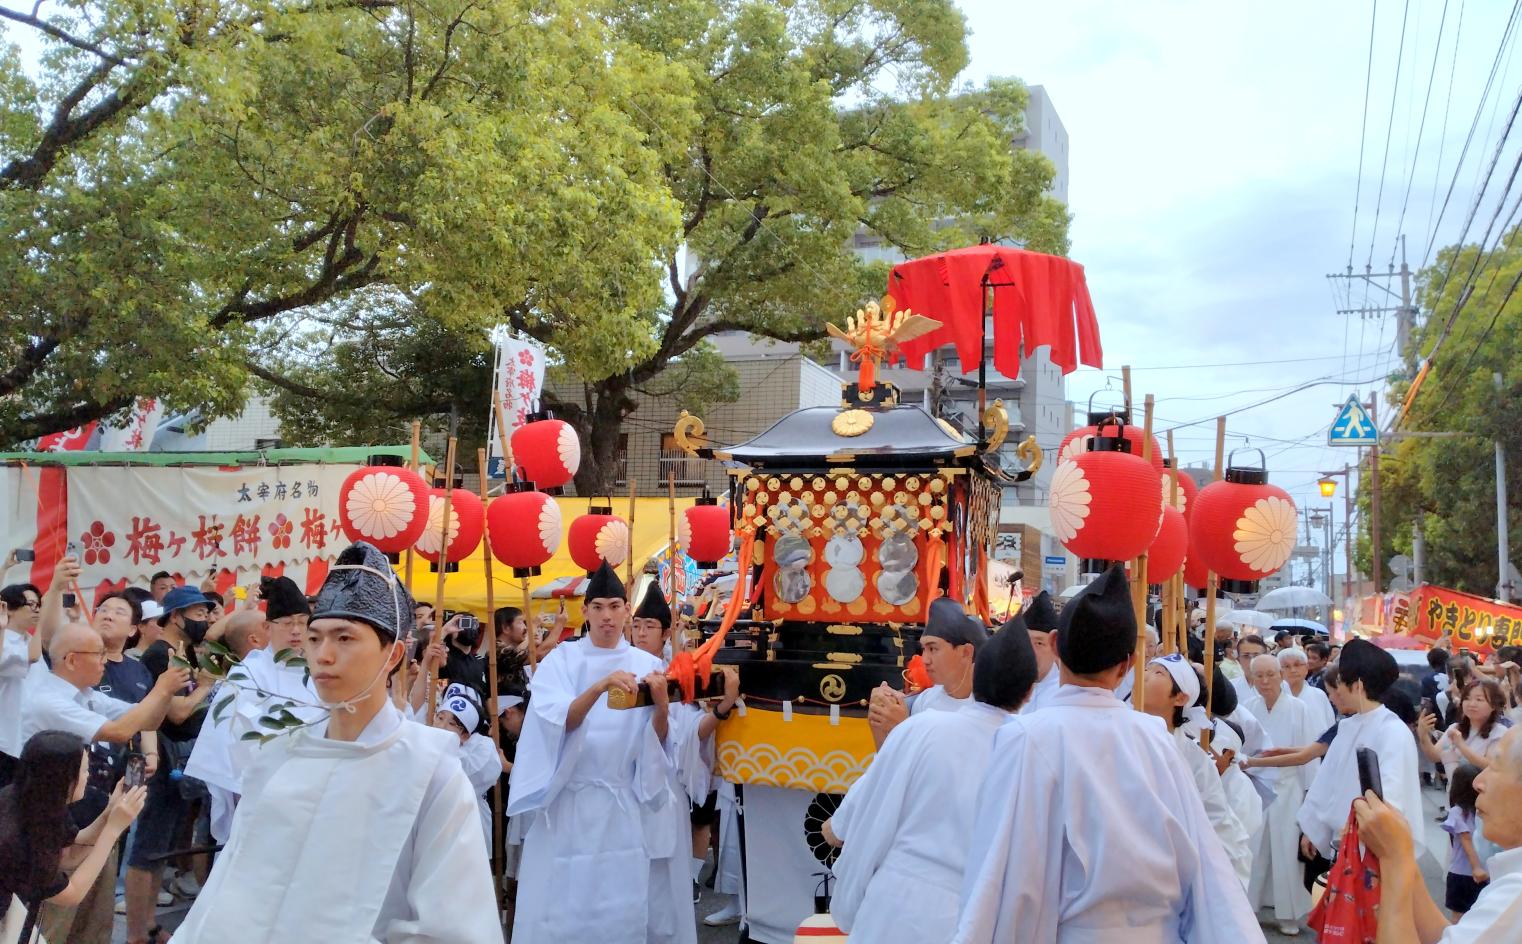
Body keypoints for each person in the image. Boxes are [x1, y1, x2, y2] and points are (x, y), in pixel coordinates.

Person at [169, 541, 499, 942]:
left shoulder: (431, 771)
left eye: (344, 638)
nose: (323, 655)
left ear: (393, 654)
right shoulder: (280, 755)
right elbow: (233, 886)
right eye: (314, 639)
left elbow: (451, 923)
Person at [952, 564, 1260, 943]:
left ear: (1054, 645)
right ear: (1128, 664)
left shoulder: (1027, 736)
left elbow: (1005, 873)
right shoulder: (1157, 739)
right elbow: (1206, 868)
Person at [825, 613, 1038, 943]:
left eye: (933, 648)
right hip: (970, 916)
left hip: (892, 906)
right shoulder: (1031, 754)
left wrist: (848, 905)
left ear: (974, 666)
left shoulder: (921, 727)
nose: (926, 659)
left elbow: (852, 823)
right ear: (1028, 692)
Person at [507, 561, 675, 944]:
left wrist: (663, 706)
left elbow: (659, 742)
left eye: (615, 606)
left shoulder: (649, 665)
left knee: (618, 906)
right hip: (569, 802)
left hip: (621, 804)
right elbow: (557, 722)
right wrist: (599, 687)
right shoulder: (562, 660)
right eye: (597, 607)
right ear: (584, 611)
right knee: (561, 907)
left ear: (626, 610)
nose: (606, 617)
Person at [1353, 725, 1522, 943]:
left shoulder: (1515, 893)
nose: (1477, 782)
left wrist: (1394, 859)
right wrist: (1401, 851)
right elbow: (1449, 938)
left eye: (1495, 766)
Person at [127, 585, 219, 943]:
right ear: (176, 616)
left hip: (177, 761)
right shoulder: (158, 655)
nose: (205, 620)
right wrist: (205, 687)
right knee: (148, 846)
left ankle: (149, 924)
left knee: (161, 847)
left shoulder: (184, 652)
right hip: (159, 758)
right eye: (198, 613)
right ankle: (136, 931)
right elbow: (176, 712)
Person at [0, 732, 148, 938]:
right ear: (65, 780)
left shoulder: (24, 797)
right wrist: (113, 831)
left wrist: (108, 813)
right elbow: (72, 894)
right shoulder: (16, 839)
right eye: (85, 770)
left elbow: (70, 852)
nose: (88, 776)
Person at [1297, 638, 1423, 866]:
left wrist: (1355, 832)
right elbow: (1327, 781)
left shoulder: (1392, 731)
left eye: (1340, 683)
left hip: (1370, 851)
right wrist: (1314, 828)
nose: (1337, 691)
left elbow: (1391, 799)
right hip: (1343, 843)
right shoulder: (1349, 726)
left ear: (1357, 685)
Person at [1143, 654, 1254, 890]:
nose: (1144, 676)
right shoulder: (1121, 735)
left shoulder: (1192, 758)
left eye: (1157, 673)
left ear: (1180, 697)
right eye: (1146, 669)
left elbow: (1216, 818)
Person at [1243, 653, 1319, 934]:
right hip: (1255, 784)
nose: (1265, 681)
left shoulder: (1299, 708)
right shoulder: (1248, 707)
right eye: (1259, 676)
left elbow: (1309, 754)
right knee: (1253, 847)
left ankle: (1288, 914)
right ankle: (1249, 907)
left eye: (1270, 675)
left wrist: (1311, 795)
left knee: (1286, 850)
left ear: (1280, 675)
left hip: (1289, 786)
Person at [868, 598, 985, 748]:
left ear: (966, 652)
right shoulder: (925, 701)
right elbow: (895, 760)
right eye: (923, 649)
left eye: (933, 649)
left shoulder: (989, 707)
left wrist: (904, 727)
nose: (924, 660)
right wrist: (880, 725)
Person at [430, 683, 505, 850]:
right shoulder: (428, 741)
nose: (441, 726)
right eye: (440, 718)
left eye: (451, 723)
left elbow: (460, 775)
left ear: (465, 734)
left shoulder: (483, 747)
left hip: (467, 821)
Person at [0, 582, 45, 786]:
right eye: (31, 604)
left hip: (28, 740)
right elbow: (31, 656)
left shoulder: (29, 640)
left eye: (39, 605)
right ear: (8, 608)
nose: (37, 610)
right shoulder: (7, 643)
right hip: (6, 740)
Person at [1419, 679, 1508, 772]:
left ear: (1493, 705)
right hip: (1454, 781)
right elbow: (1434, 756)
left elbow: (1491, 766)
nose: (1472, 704)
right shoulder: (1455, 728)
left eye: (1479, 699)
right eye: (1467, 698)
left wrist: (1461, 745)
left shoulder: (1499, 732)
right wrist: (1423, 735)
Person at [1441, 765, 1488, 920]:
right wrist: (1478, 868)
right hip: (1481, 873)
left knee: (1459, 918)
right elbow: (1467, 839)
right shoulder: (1481, 812)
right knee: (1477, 918)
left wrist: (1476, 868)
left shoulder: (1458, 812)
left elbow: (1466, 839)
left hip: (1462, 873)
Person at [1015, 591, 1061, 715]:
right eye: (1026, 641)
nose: (1030, 650)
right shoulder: (1008, 685)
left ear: (1055, 648)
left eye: (1039, 643)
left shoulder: (1063, 694)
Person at [1280, 646, 1335, 732]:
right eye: (1287, 666)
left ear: (1306, 668)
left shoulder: (1319, 695)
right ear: (1279, 671)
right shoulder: (1276, 696)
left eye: (1297, 665)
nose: (1293, 670)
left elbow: (1330, 728)